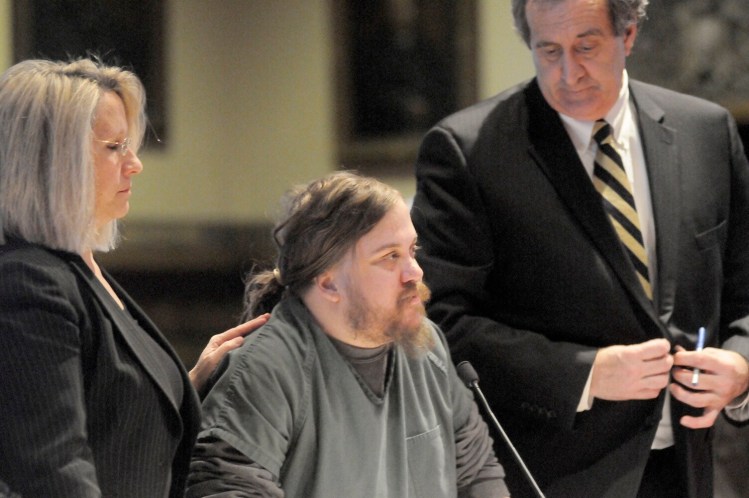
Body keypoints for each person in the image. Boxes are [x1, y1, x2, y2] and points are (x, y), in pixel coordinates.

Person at [410, 0, 749, 497]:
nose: (568, 73)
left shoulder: (707, 132)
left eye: (586, 47)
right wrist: (583, 374)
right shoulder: (468, 149)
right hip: (556, 474)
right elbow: (438, 322)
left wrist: (742, 365)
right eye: (548, 51)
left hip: (698, 468)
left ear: (628, 34)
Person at [0, 58, 268, 497]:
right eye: (114, 147)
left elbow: (105, 409)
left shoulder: (76, 270)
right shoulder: (28, 281)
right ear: (52, 162)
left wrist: (186, 382)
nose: (135, 164)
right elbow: (53, 471)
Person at [186, 171, 510, 497]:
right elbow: (228, 488)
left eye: (412, 250)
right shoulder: (265, 370)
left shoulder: (426, 346)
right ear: (328, 284)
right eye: (390, 257)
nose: (416, 271)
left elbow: (477, 472)